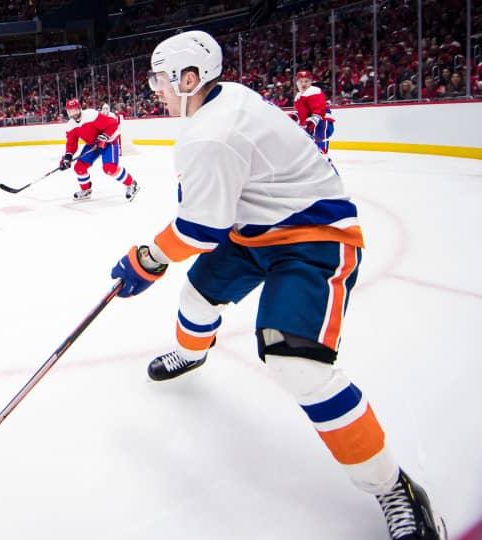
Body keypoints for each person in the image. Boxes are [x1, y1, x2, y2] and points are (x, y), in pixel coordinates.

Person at [109, 31, 446, 540]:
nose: (154, 89)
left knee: (296, 364)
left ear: (190, 78)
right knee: (196, 297)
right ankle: (193, 354)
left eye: (161, 78)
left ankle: (394, 487)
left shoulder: (210, 135)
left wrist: (147, 259)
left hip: (313, 238)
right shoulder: (223, 100)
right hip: (256, 230)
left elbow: (199, 231)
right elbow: (214, 215)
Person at [59, 98, 139, 202]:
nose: (73, 113)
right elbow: (71, 143)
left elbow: (112, 124)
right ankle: (86, 190)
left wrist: (105, 136)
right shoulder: (70, 126)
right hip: (92, 145)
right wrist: (67, 157)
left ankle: (132, 184)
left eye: (75, 110)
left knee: (109, 168)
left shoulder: (91, 115)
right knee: (79, 167)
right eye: (71, 111)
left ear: (79, 108)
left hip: (108, 142)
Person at [294, 70, 334, 154]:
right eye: (301, 81)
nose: (303, 84)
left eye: (306, 81)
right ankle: (313, 156)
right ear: (297, 83)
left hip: (322, 120)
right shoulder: (298, 96)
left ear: (311, 82)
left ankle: (322, 156)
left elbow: (318, 110)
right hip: (312, 121)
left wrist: (312, 120)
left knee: (320, 137)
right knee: (309, 141)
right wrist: (296, 116)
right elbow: (304, 112)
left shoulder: (314, 91)